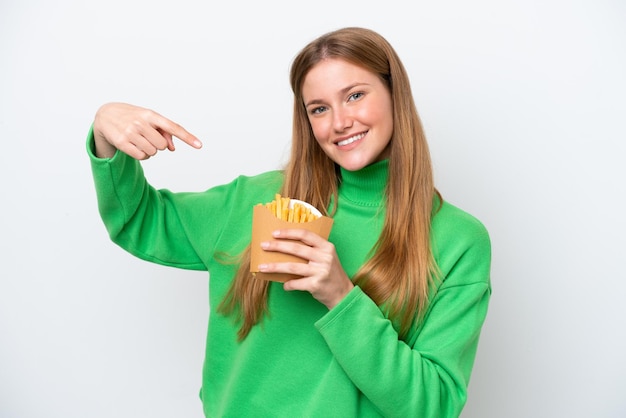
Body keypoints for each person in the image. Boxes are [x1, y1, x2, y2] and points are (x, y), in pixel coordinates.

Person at [87, 27, 491, 418]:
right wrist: (105, 128)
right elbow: (137, 220)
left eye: (354, 95)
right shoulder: (256, 201)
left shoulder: (457, 240)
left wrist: (341, 297)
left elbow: (433, 407)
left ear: (394, 95)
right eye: (319, 108)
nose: (339, 122)